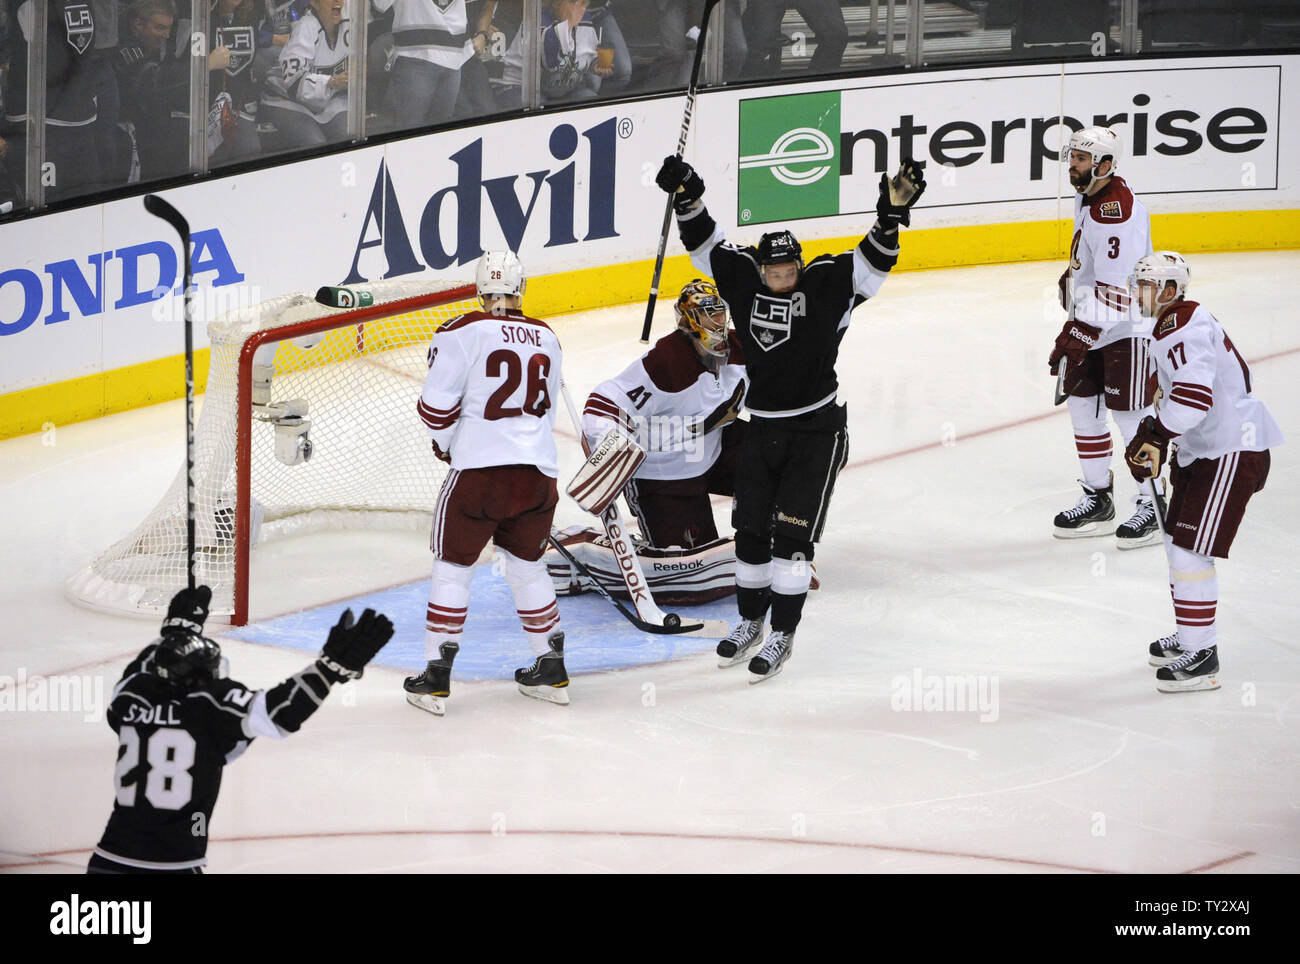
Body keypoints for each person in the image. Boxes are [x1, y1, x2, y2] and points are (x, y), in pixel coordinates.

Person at [655, 154, 926, 682]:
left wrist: (889, 217)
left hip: (817, 432)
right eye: (774, 273)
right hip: (761, 427)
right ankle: (750, 621)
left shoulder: (826, 283)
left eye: (789, 272)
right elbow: (706, 244)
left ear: (800, 267)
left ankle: (783, 632)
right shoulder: (742, 279)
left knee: (793, 542)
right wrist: (687, 196)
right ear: (760, 270)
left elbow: (873, 264)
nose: (782, 280)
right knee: (751, 534)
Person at [89, 585, 394, 873]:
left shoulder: (132, 702)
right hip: (174, 865)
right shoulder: (210, 711)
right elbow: (278, 713)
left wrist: (176, 633)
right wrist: (328, 671)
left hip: (107, 859)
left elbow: (140, 673)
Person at [406, 250, 569, 714]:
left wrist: (447, 445)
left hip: (480, 475)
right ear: (521, 290)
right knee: (527, 568)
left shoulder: (461, 331)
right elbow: (547, 412)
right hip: (539, 476)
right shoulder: (549, 337)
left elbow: (435, 409)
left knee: (454, 568)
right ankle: (550, 665)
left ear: (481, 290)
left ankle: (435, 675)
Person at [1124, 252, 1284, 693]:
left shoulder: (1183, 324)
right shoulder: (1172, 324)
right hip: (1205, 449)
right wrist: (1160, 434)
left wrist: (1157, 434)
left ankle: (1203, 655)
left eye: (1147, 285)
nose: (1138, 292)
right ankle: (1192, 638)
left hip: (1230, 450)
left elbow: (1194, 398)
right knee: (1179, 545)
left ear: (1170, 291)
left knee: (1190, 551)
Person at [545, 280, 750, 605]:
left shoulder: (739, 350)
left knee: (776, 454)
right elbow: (606, 400)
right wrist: (609, 442)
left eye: (720, 315)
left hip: (711, 454)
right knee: (686, 576)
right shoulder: (666, 362)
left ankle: (755, 532)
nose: (718, 324)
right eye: (708, 317)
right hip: (663, 476)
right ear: (689, 322)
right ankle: (581, 551)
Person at [1048, 126, 1159, 547]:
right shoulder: (1089, 192)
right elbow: (1093, 264)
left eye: (1080, 159)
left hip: (1126, 329)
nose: (1071, 166)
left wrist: (1076, 332)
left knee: (1130, 416)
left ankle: (1151, 503)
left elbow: (1120, 292)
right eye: (1072, 157)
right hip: (1094, 325)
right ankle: (1098, 497)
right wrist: (1074, 276)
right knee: (1083, 409)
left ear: (1105, 164)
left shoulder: (1118, 213)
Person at [260, 0, 351, 151]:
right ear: (314, 3)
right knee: (315, 144)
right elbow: (294, 84)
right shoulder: (305, 27)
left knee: (349, 136)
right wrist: (331, 82)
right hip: (286, 100)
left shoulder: (349, 22)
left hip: (327, 102)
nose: (338, 1)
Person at [372, 0, 472, 132]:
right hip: (415, 56)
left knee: (440, 138)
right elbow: (380, 5)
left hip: (454, 57)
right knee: (408, 134)